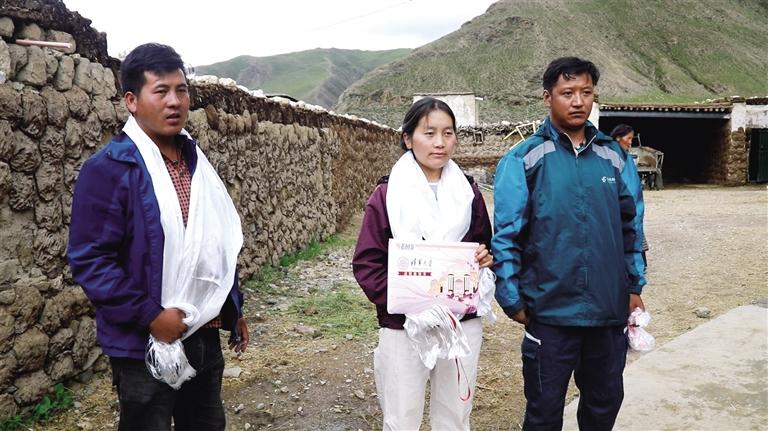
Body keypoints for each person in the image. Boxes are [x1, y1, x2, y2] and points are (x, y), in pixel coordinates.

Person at [67, 43, 248, 431]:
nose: (174, 102)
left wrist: (232, 305)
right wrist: (150, 316)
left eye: (181, 90)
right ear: (132, 101)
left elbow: (213, 244)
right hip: (143, 343)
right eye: (161, 91)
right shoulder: (110, 170)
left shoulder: (197, 164)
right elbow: (91, 259)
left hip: (202, 332)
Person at [492, 57, 647, 430]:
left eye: (586, 92)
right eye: (567, 93)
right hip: (549, 313)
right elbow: (507, 234)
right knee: (544, 413)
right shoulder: (524, 158)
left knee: (602, 406)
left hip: (607, 311)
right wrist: (511, 298)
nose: (578, 101)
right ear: (548, 97)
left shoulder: (613, 156)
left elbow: (632, 226)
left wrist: (634, 285)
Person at [352, 97, 493, 430]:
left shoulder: (468, 192)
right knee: (402, 415)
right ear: (408, 138)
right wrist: (407, 300)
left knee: (454, 414)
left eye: (448, 133)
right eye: (429, 133)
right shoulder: (388, 194)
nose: (439, 142)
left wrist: (485, 259)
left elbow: (484, 247)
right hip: (404, 325)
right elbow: (367, 262)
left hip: (460, 321)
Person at [610, 124, 650, 269]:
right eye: (628, 138)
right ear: (618, 138)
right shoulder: (613, 156)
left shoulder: (624, 155)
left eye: (632, 139)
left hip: (632, 207)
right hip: (626, 208)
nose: (630, 142)